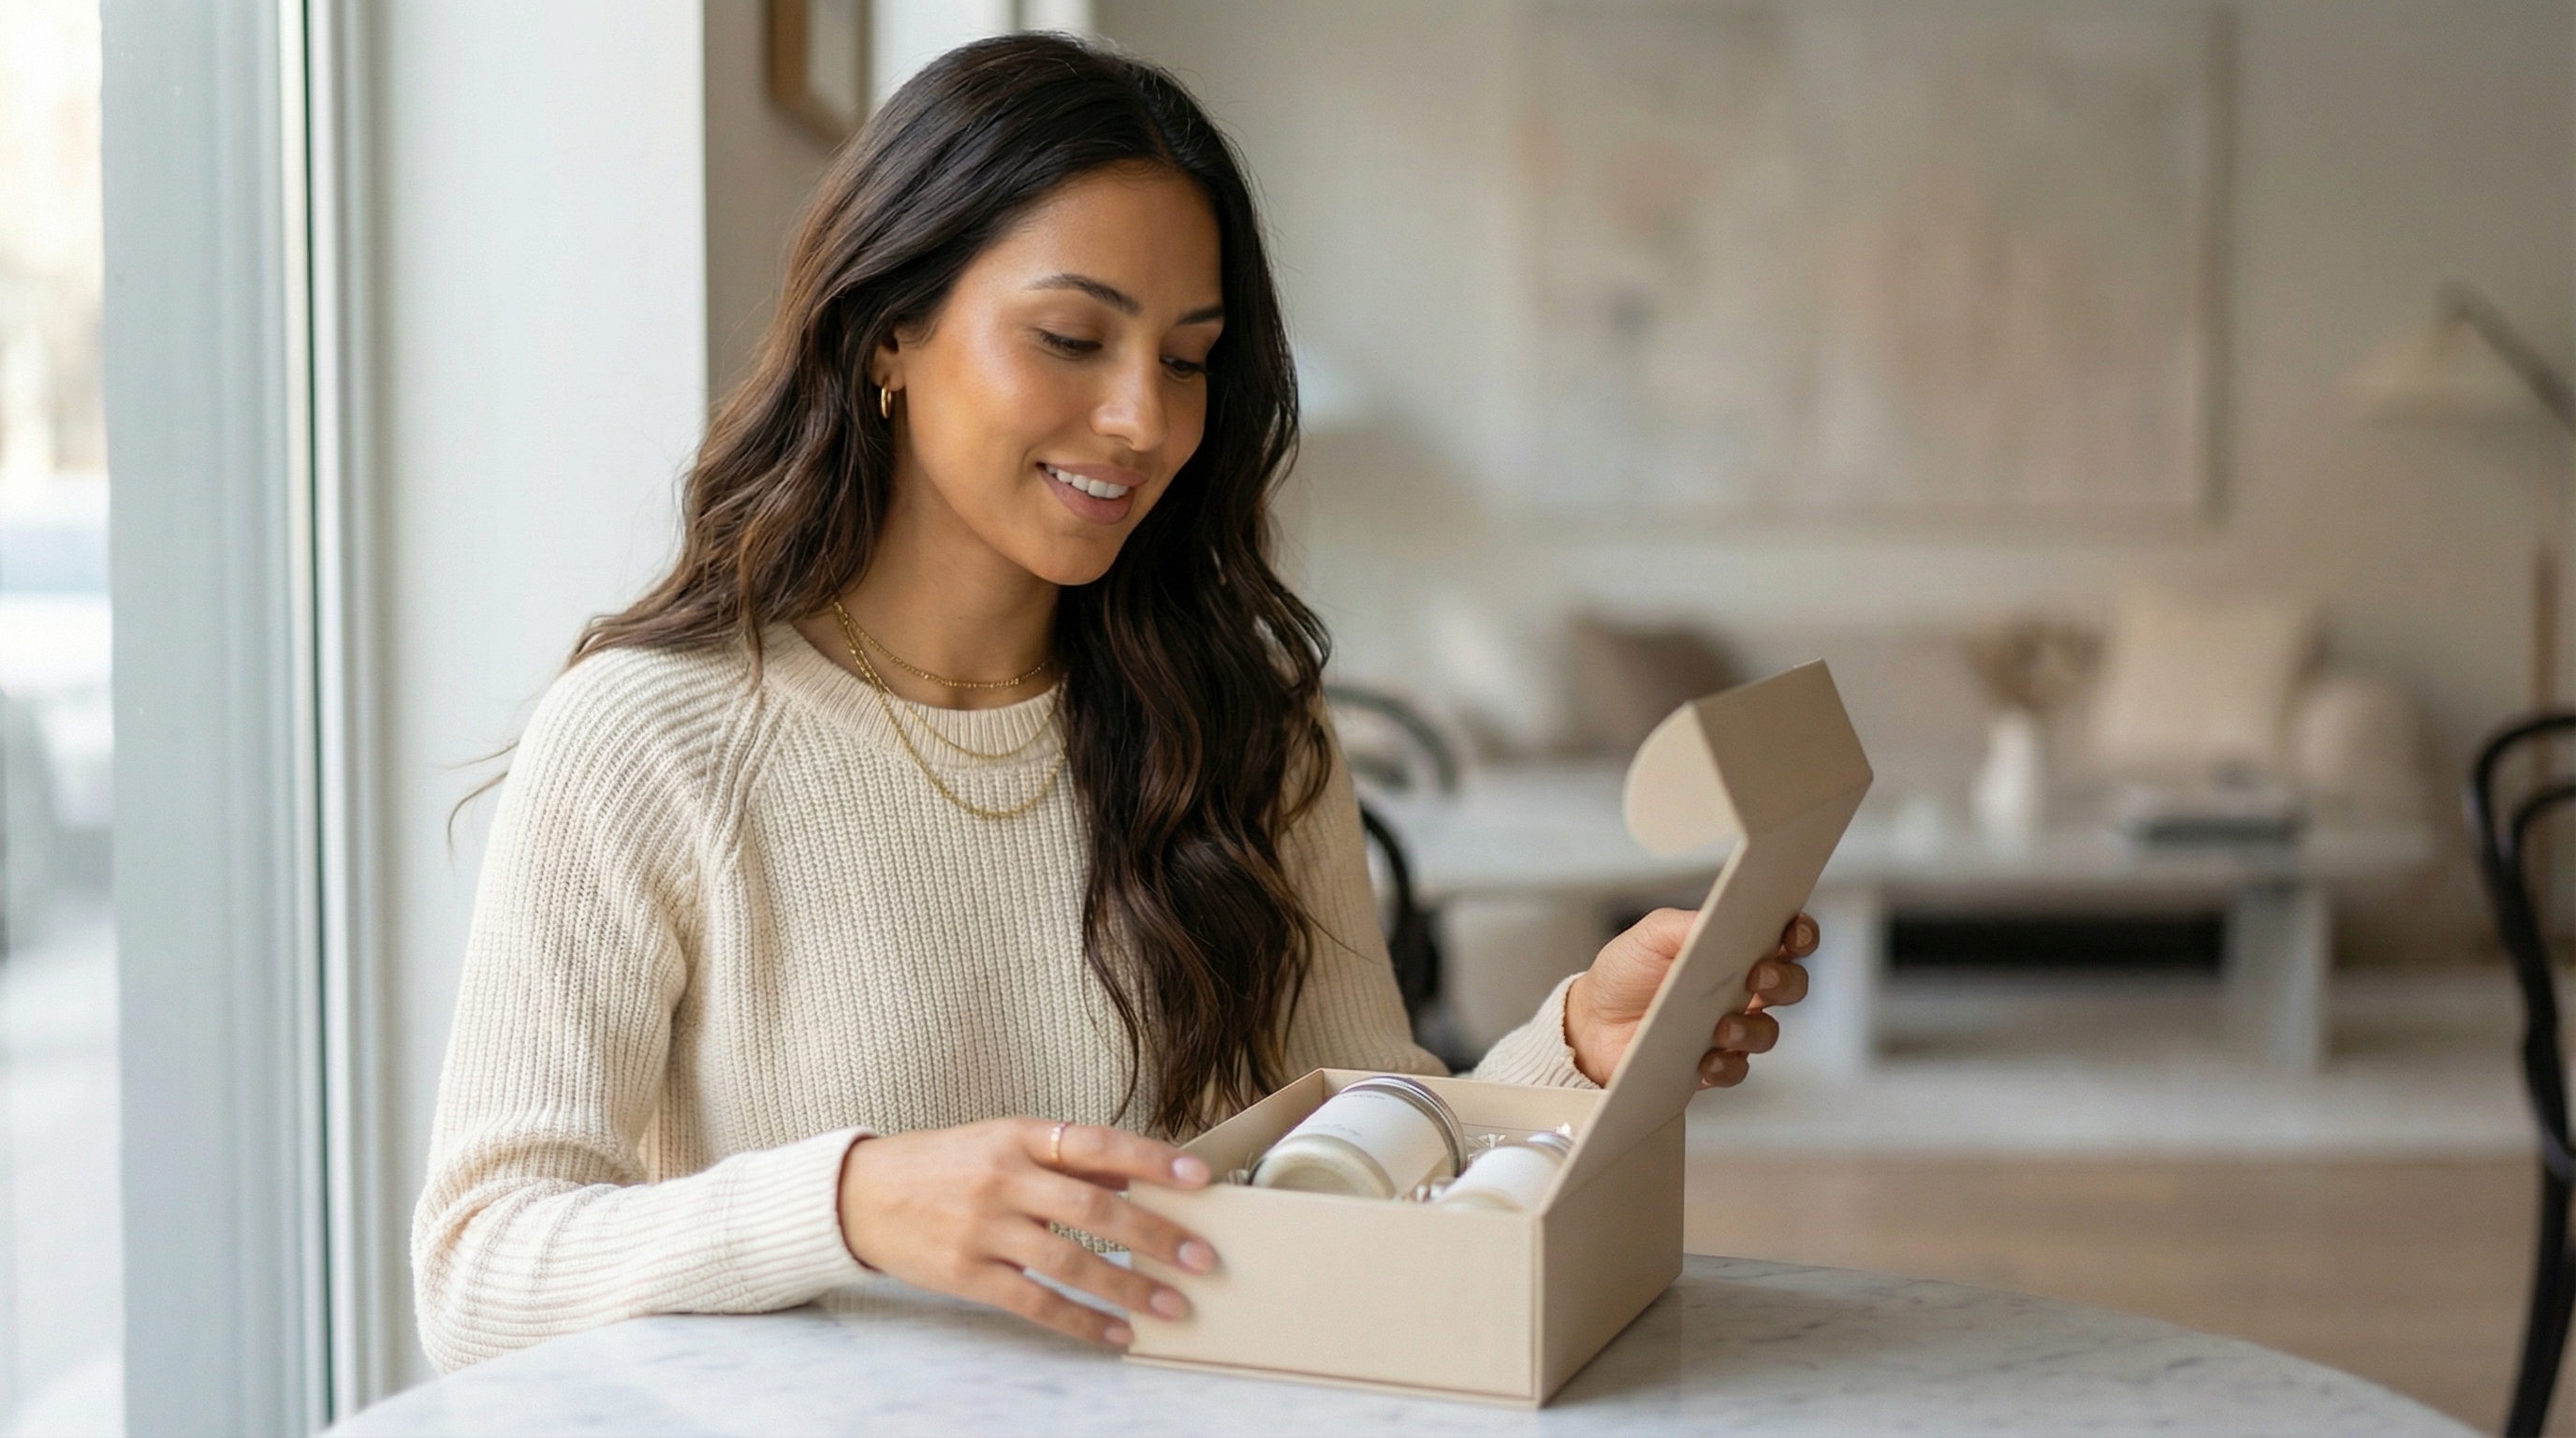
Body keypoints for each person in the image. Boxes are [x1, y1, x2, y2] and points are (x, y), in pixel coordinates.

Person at [411, 32, 1819, 1372]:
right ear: (887, 334)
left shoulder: (1248, 730)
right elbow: (478, 1271)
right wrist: (849, 1202)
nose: (1145, 419)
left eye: (1189, 358)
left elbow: (1367, 1141)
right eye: (1074, 338)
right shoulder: (650, 740)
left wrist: (1579, 1050)